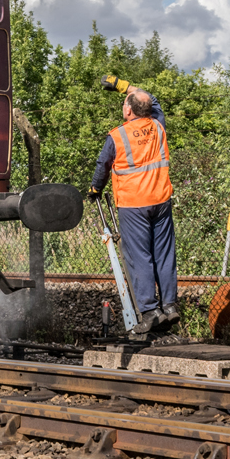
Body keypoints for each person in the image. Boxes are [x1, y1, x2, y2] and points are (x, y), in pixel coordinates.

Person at [89, 76, 178, 335]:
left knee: (140, 256)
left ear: (128, 110)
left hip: (133, 205)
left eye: (124, 103)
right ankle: (170, 306)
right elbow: (154, 100)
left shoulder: (118, 135)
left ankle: (150, 312)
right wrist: (122, 84)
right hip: (161, 200)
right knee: (163, 253)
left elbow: (102, 166)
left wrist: (95, 189)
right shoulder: (158, 125)